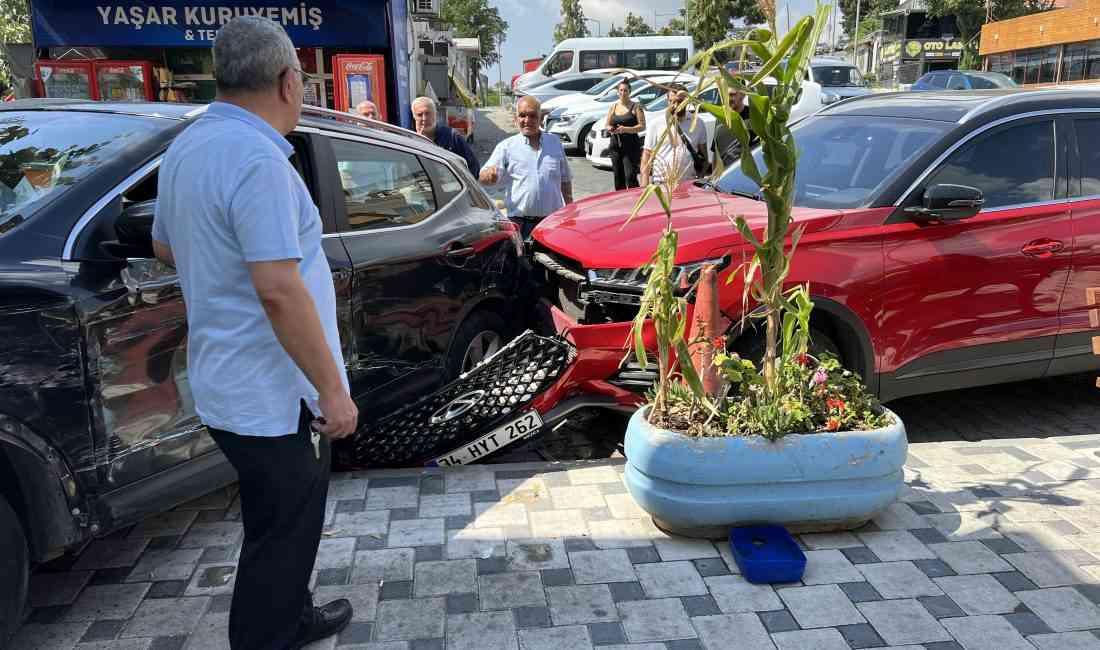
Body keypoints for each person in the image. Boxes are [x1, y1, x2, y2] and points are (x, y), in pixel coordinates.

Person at [150, 16, 357, 650]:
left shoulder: (189, 145)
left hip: (226, 379)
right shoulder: (258, 160)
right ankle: (269, 633)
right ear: (289, 81)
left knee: (276, 518)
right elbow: (278, 288)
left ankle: (291, 615)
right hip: (273, 394)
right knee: (283, 530)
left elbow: (165, 245)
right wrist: (333, 392)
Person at [479, 95, 573, 240]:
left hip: (551, 223)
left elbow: (565, 180)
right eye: (522, 115)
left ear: (541, 118)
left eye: (532, 115)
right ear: (516, 119)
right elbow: (483, 177)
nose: (527, 120)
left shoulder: (554, 142)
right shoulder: (506, 147)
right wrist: (487, 176)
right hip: (520, 224)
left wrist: (570, 210)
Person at [640, 84, 708, 187]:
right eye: (672, 101)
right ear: (667, 101)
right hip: (661, 184)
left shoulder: (697, 123)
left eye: (680, 102)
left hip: (688, 184)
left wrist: (700, 179)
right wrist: (644, 185)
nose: (676, 106)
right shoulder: (656, 124)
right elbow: (647, 156)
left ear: (687, 101)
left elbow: (704, 156)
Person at [412, 96, 480, 176]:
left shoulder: (452, 137)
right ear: (414, 116)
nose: (424, 118)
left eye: (428, 113)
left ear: (435, 114)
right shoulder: (410, 142)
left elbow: (474, 168)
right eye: (419, 115)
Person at [604, 79, 646, 190]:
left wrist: (625, 129)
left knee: (630, 176)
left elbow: (642, 126)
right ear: (618, 92)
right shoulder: (613, 107)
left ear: (630, 92)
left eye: (625, 90)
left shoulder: (636, 107)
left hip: (631, 146)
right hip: (615, 145)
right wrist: (610, 128)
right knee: (618, 177)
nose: (623, 93)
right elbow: (607, 124)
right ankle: (621, 199)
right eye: (621, 90)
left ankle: (636, 197)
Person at [711, 88, 753, 169]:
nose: (728, 99)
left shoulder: (753, 117)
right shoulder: (721, 117)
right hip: (726, 172)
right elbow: (716, 151)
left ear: (743, 95)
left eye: (732, 95)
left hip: (745, 171)